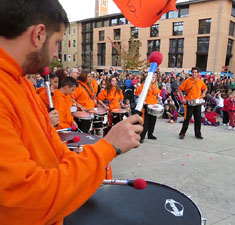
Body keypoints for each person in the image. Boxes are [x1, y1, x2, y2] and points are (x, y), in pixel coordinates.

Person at [0, 1, 143, 224]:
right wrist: (107, 147)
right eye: (57, 42)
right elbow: (26, 201)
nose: (57, 52)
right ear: (39, 34)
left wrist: (90, 170)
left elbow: (54, 149)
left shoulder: (21, 83)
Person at [178, 67, 207, 139]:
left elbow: (205, 88)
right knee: (187, 119)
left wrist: (203, 94)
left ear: (197, 74)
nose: (194, 73)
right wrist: (183, 98)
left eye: (196, 72)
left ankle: (198, 134)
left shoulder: (200, 81)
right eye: (193, 72)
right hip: (189, 103)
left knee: (198, 119)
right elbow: (180, 89)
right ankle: (182, 133)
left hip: (198, 103)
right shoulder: (187, 81)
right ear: (191, 73)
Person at [135, 75, 160, 143]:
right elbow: (137, 92)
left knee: (153, 121)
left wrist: (159, 97)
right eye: (152, 77)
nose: (153, 79)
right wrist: (142, 100)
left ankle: (150, 134)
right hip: (147, 105)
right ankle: (142, 136)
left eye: (154, 77)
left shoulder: (155, 86)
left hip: (154, 105)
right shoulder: (144, 85)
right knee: (146, 122)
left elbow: (157, 93)